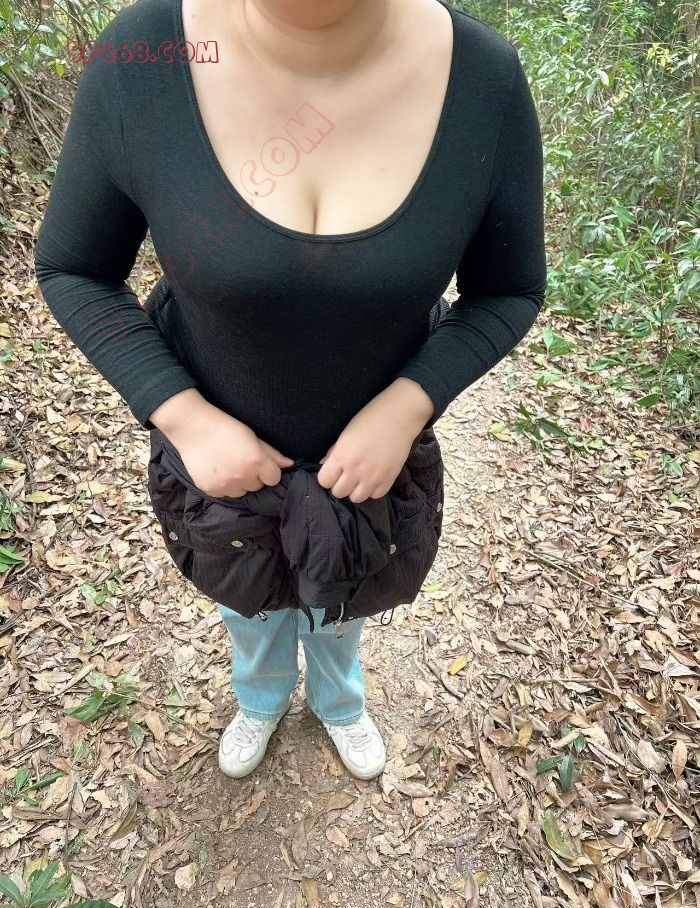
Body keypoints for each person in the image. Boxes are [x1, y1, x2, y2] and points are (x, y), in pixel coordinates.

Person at [34, 0, 547, 781]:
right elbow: (74, 268)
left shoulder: (485, 80)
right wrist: (185, 418)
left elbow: (508, 290)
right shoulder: (142, 59)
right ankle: (261, 698)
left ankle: (339, 702)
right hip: (225, 470)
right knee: (249, 603)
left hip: (366, 473)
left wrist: (409, 404)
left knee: (342, 603)